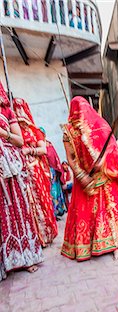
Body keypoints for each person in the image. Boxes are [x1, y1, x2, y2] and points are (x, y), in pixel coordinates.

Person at [61, 97, 118, 261]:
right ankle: (88, 246)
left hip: (105, 176)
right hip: (84, 179)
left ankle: (115, 246)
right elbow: (71, 158)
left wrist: (104, 160)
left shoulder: (98, 125)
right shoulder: (68, 131)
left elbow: (111, 147)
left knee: (110, 212)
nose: (80, 111)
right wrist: (81, 176)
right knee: (86, 213)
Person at [0, 83, 43, 280]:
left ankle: (24, 257)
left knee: (16, 211)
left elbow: (18, 141)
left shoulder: (6, 111)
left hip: (10, 170)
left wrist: (4, 134)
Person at [13, 98, 58, 247]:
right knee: (26, 205)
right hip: (20, 172)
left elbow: (43, 150)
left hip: (35, 170)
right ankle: (34, 240)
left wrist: (29, 150)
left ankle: (45, 235)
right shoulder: (13, 131)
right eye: (16, 108)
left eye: (21, 108)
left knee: (41, 202)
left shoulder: (35, 131)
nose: (19, 111)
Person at [40, 127, 67, 219]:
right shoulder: (38, 146)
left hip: (53, 173)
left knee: (55, 193)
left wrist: (58, 172)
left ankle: (57, 212)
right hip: (44, 172)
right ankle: (52, 214)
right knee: (49, 193)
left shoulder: (49, 144)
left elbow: (55, 159)